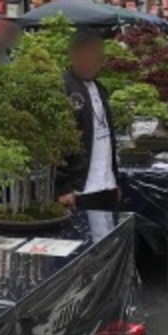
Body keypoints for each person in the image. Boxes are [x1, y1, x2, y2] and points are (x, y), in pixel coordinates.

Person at [57, 29, 119, 214]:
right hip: (79, 189)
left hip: (105, 185)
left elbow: (108, 138)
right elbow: (56, 142)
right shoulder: (63, 88)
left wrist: (114, 179)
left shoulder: (100, 88)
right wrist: (62, 187)